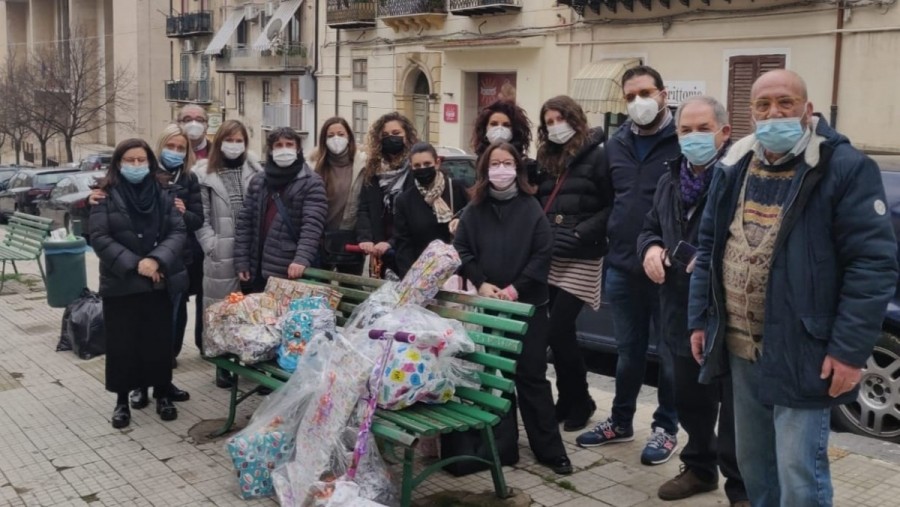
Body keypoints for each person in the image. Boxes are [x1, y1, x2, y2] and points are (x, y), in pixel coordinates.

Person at [688, 70, 897, 507]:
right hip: (742, 348)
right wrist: (701, 320)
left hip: (805, 350)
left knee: (799, 472)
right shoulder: (735, 165)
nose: (773, 113)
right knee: (754, 464)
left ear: (807, 109)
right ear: (751, 113)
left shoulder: (843, 167)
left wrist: (849, 351)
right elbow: (708, 248)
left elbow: (871, 265)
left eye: (785, 103)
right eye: (762, 106)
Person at [636, 96, 748, 506]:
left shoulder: (739, 179)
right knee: (689, 397)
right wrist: (649, 247)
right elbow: (650, 226)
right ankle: (700, 467)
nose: (694, 138)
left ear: (723, 133)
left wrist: (712, 260)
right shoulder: (670, 180)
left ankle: (741, 486)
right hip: (678, 307)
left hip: (726, 310)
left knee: (735, 407)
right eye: (686, 130)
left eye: (703, 130)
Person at [576, 66, 681, 467]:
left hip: (667, 270)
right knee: (628, 352)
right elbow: (607, 200)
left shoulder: (684, 140)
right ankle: (621, 422)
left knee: (671, 355)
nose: (638, 102)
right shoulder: (616, 145)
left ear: (663, 93)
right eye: (630, 96)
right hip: (621, 264)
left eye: (645, 92)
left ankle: (666, 428)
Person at [453, 141, 572, 475]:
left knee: (532, 376)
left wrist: (515, 289)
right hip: (490, 305)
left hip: (528, 305)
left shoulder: (530, 206)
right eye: (495, 163)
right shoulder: (475, 208)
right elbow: (460, 248)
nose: (501, 169)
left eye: (507, 163)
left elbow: (542, 253)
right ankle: (503, 448)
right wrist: (481, 282)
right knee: (496, 376)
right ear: (485, 170)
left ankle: (549, 449)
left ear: (517, 169)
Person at [89, 138, 188, 428]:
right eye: (129, 160)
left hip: (159, 280)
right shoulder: (104, 195)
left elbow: (177, 231)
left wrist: (156, 260)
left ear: (149, 162)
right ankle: (122, 400)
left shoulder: (162, 192)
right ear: (119, 163)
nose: (135, 165)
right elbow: (100, 238)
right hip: (121, 282)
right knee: (122, 344)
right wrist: (137, 265)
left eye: (140, 160)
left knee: (158, 342)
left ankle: (161, 394)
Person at [532, 95, 611, 433]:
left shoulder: (599, 156)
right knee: (559, 335)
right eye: (548, 122)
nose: (554, 127)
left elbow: (613, 205)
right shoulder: (546, 158)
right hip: (552, 255)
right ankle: (568, 399)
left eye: (558, 119)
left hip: (581, 256)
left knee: (558, 329)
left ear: (574, 119)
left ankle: (581, 400)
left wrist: (580, 233)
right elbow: (538, 202)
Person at [193, 119, 263, 388]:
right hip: (221, 253)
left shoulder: (256, 171)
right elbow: (201, 216)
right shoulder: (203, 174)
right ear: (219, 142)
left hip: (251, 251)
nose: (234, 145)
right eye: (229, 140)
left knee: (250, 310)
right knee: (220, 310)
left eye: (239, 140)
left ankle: (251, 360)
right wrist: (211, 244)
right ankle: (222, 364)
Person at [234, 127, 327, 291]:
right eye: (278, 145)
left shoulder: (311, 182)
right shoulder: (259, 180)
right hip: (257, 269)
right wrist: (242, 261)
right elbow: (245, 223)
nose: (284, 149)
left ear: (298, 149)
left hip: (289, 269)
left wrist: (301, 259)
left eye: (289, 144)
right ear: (271, 150)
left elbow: (312, 225)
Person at [355, 112, 418, 276]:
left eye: (396, 134)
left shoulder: (415, 170)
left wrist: (391, 242)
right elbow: (364, 208)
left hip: (408, 251)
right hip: (379, 252)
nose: (391, 138)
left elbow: (415, 216)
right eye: (385, 135)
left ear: (407, 136)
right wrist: (365, 238)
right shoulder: (373, 171)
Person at [393, 142, 468, 277]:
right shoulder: (405, 201)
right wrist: (411, 277)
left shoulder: (456, 189)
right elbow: (403, 244)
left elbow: (469, 224)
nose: (422, 169)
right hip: (422, 275)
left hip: (456, 272)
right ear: (411, 167)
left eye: (427, 164)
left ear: (437, 163)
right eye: (417, 166)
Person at [308, 117, 367, 274]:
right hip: (320, 240)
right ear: (323, 140)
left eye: (341, 134)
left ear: (349, 137)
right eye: (330, 135)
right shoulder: (314, 167)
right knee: (320, 288)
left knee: (351, 288)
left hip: (350, 239)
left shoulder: (363, 165)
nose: (336, 139)